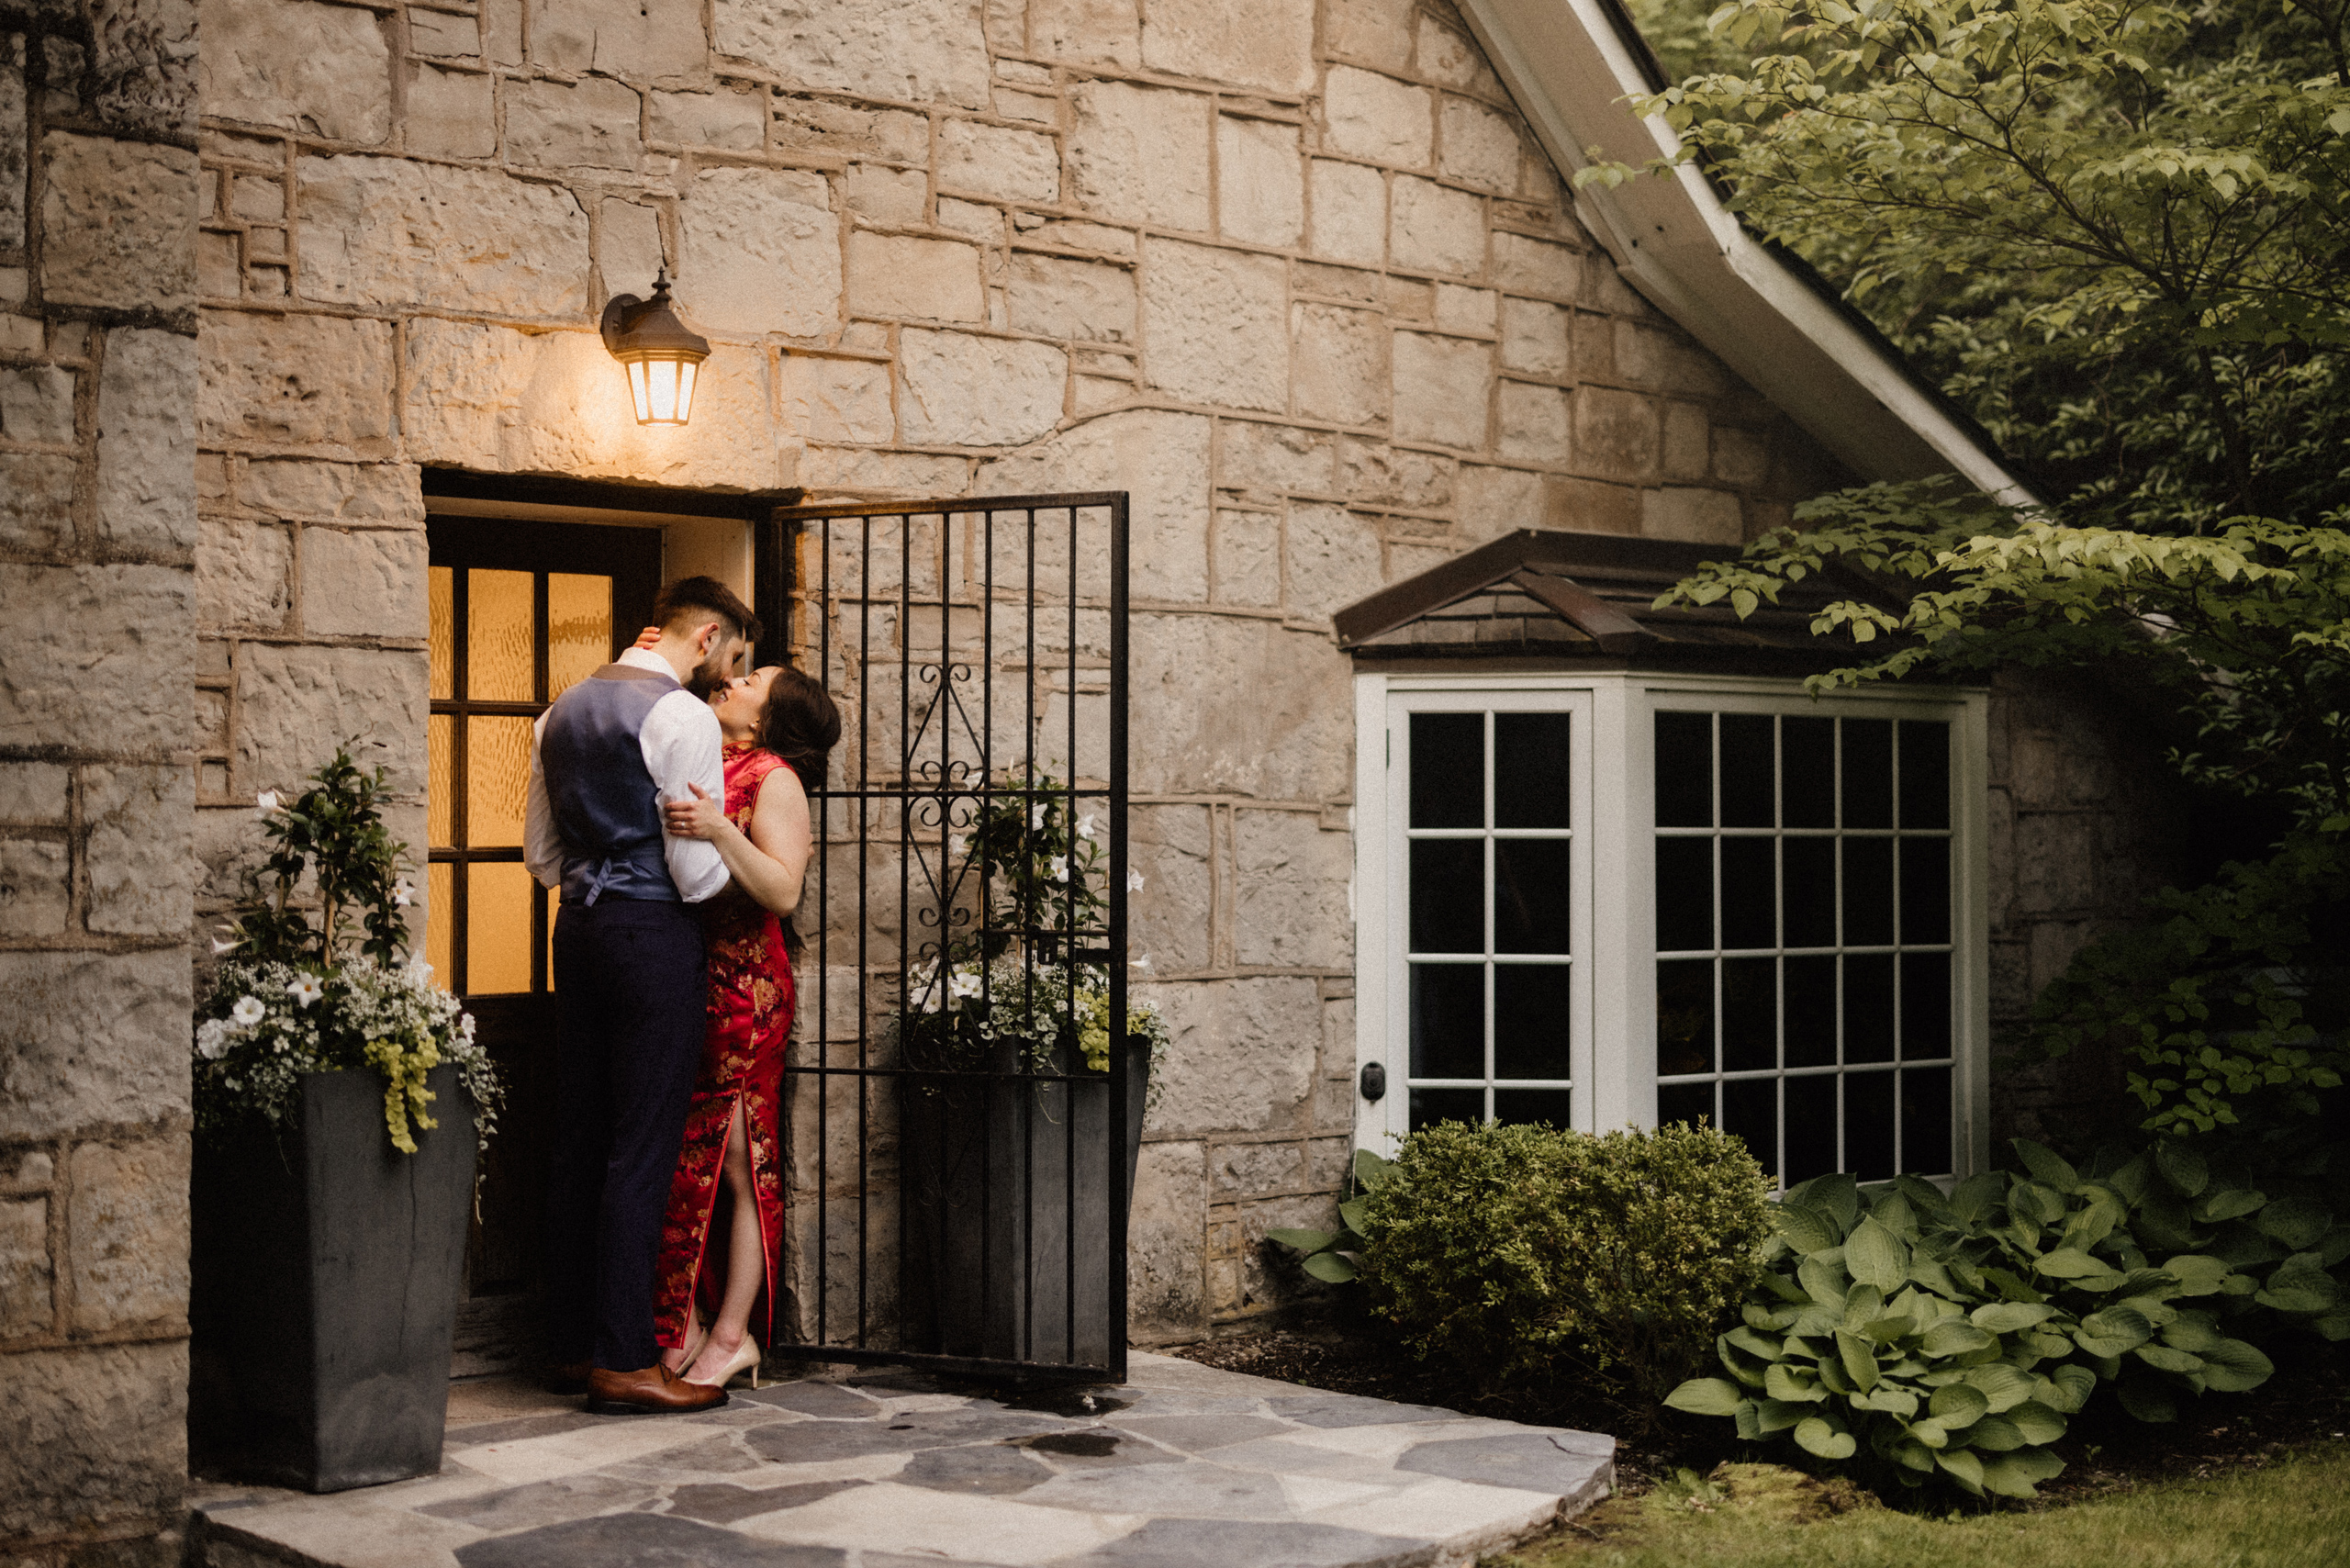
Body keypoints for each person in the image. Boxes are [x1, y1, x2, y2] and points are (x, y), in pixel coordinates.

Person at [525, 576, 756, 1415]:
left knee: (580, 1135)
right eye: (730, 658)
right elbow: (695, 876)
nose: (725, 677)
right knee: (642, 1141)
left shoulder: (559, 711)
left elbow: (543, 858)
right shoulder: (683, 717)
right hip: (651, 936)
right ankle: (624, 1357)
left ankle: (569, 1344)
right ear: (705, 639)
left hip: (577, 932)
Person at [647, 663, 838, 1388]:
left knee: (736, 1161)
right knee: (683, 1159)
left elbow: (783, 890)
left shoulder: (775, 777)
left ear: (766, 719)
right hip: (689, 981)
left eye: (752, 680)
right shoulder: (705, 753)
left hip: (745, 991)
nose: (731, 679)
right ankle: (682, 1323)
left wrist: (723, 830)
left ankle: (734, 1334)